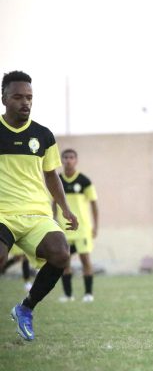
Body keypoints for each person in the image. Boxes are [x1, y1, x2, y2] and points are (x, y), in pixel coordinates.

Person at [0, 70, 78, 341]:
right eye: (18, 97)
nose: (25, 102)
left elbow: (51, 175)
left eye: (29, 97)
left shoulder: (43, 135)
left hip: (37, 213)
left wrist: (65, 208)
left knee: (61, 254)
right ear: (4, 99)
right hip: (3, 214)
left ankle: (25, 308)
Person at [53, 148, 99, 303]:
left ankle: (88, 294)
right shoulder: (57, 180)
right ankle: (68, 295)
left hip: (82, 228)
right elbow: (54, 202)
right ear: (61, 160)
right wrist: (54, 220)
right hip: (64, 229)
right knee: (64, 261)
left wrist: (95, 226)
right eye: (65, 157)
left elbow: (94, 205)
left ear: (76, 160)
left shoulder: (84, 181)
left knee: (85, 259)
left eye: (71, 157)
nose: (68, 160)